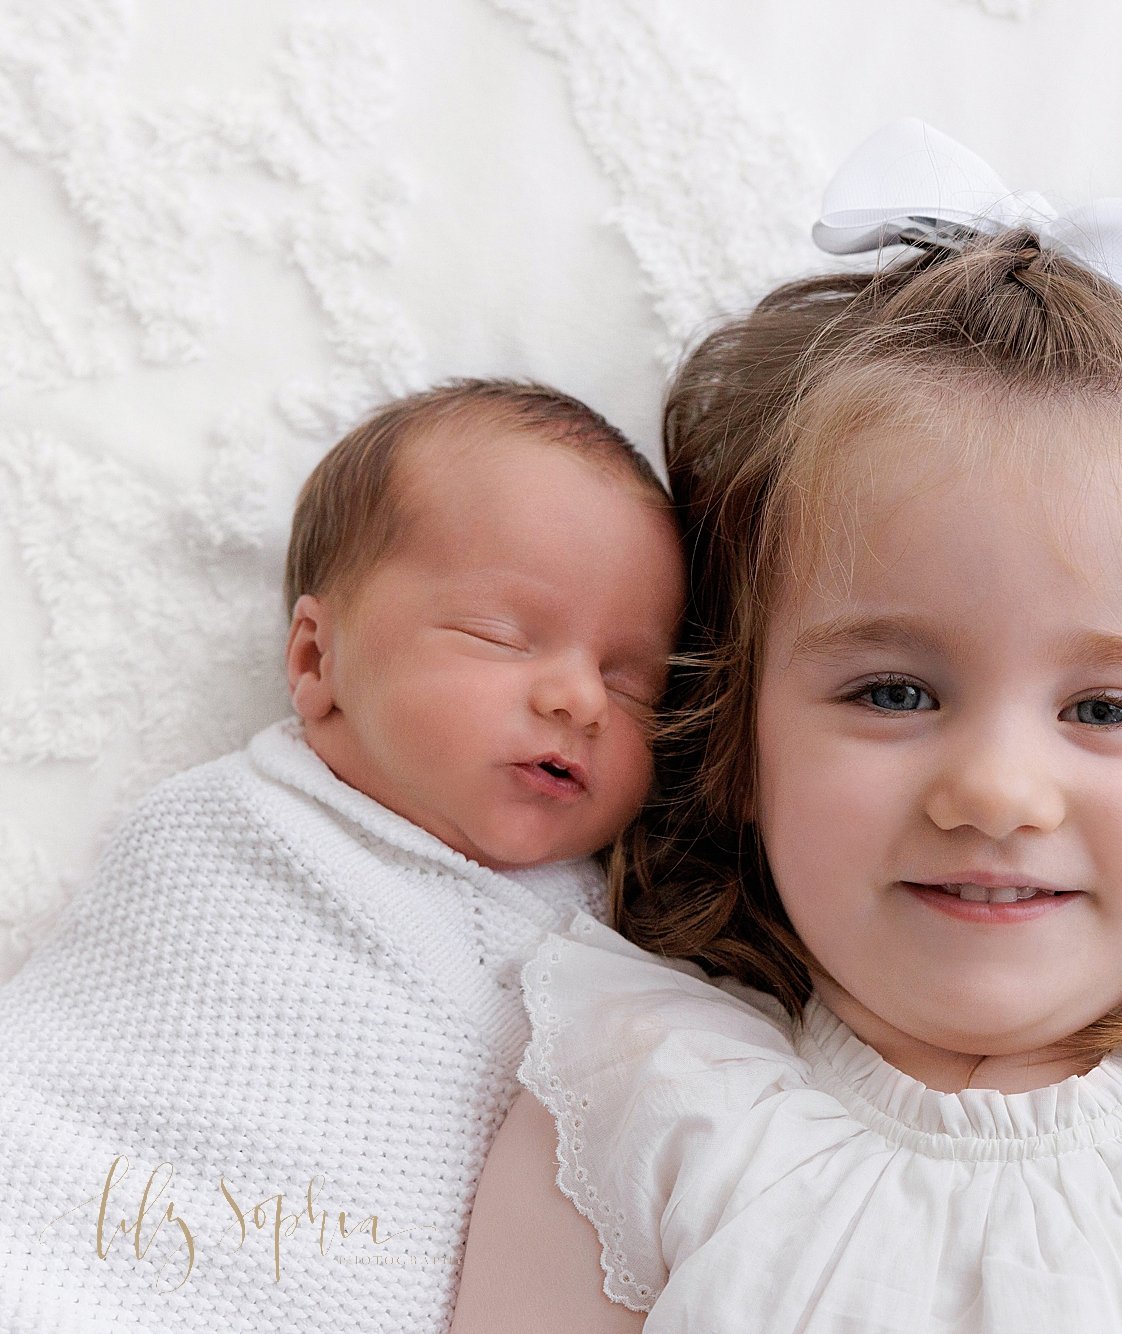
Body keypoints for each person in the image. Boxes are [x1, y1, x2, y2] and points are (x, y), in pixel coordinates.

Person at [451, 120, 1122, 1334]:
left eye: (1104, 707)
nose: (995, 790)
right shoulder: (638, 1091)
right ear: (737, 735)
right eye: (893, 691)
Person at [0, 379, 684, 1334]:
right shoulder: (219, 832)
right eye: (501, 636)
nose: (581, 699)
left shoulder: (617, 940)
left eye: (633, 681)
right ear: (317, 662)